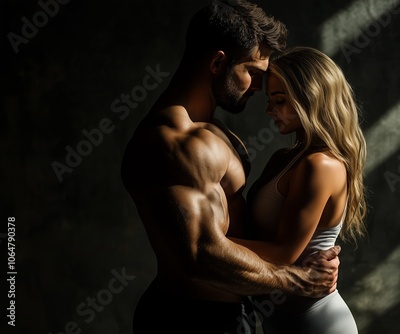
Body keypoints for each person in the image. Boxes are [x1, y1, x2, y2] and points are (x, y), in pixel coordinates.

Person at [120, 1, 341, 333]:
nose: (257, 87)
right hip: (189, 319)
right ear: (218, 61)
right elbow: (199, 254)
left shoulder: (217, 133)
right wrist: (295, 280)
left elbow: (234, 234)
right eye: (252, 73)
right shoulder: (171, 143)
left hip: (229, 316)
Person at [230, 46, 367, 333]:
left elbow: (282, 254)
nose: (269, 110)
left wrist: (206, 240)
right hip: (276, 322)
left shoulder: (321, 165)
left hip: (318, 324)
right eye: (269, 99)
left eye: (279, 100)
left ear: (311, 99)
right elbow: (255, 235)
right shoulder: (283, 158)